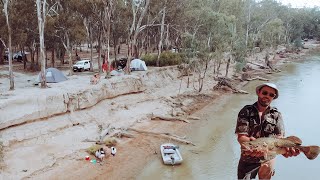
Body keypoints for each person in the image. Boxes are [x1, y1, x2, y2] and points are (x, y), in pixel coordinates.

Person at [235, 83, 300, 179]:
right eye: (264, 93)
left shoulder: (276, 114)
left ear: (273, 97)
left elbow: (280, 137)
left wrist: (287, 150)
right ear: (258, 93)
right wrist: (252, 146)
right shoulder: (246, 111)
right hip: (248, 158)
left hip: (268, 159)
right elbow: (241, 137)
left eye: (271, 95)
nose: (267, 96)